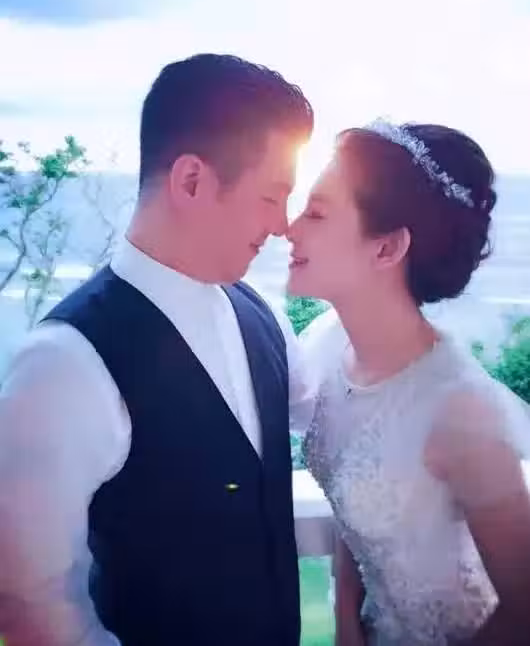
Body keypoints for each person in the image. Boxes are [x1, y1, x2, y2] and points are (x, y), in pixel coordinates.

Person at [0, 54, 315, 646]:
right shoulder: (63, 363)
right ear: (191, 181)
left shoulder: (264, 317)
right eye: (272, 197)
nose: (283, 225)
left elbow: (332, 417)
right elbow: (31, 601)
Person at [287, 120, 530, 645]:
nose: (290, 228)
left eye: (317, 213)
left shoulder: (461, 411)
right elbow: (354, 504)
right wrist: (346, 623)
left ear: (387, 249)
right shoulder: (330, 347)